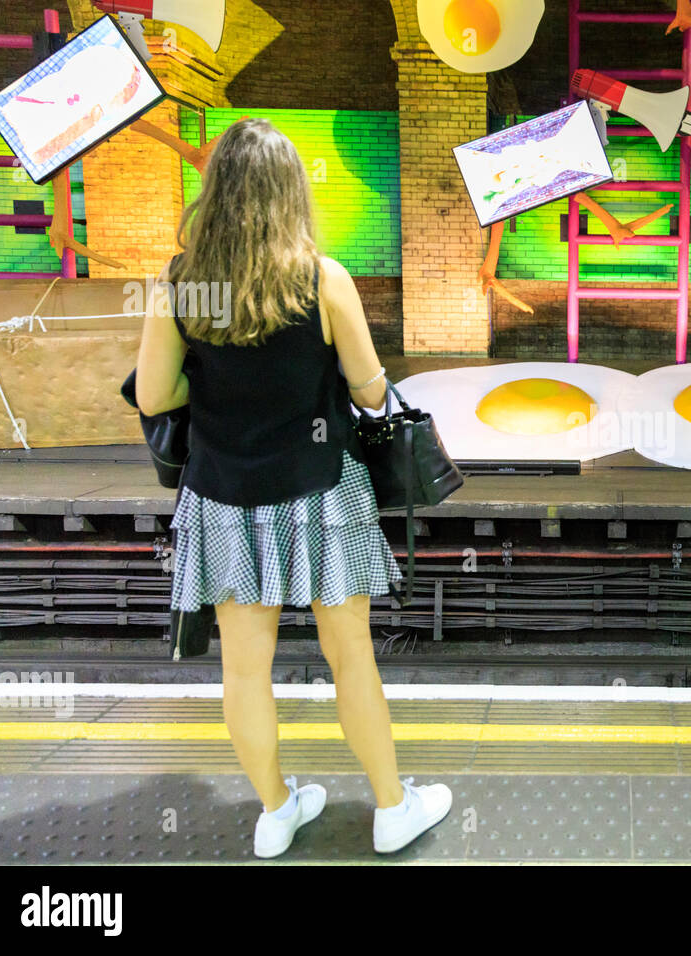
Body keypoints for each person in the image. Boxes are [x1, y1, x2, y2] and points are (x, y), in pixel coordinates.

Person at [135, 117, 451, 858]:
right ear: (290, 192)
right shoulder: (321, 278)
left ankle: (277, 811)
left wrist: (214, 384)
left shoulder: (185, 285)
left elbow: (154, 396)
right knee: (352, 656)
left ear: (215, 193)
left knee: (244, 668)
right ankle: (391, 807)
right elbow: (370, 390)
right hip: (320, 493)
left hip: (223, 500)